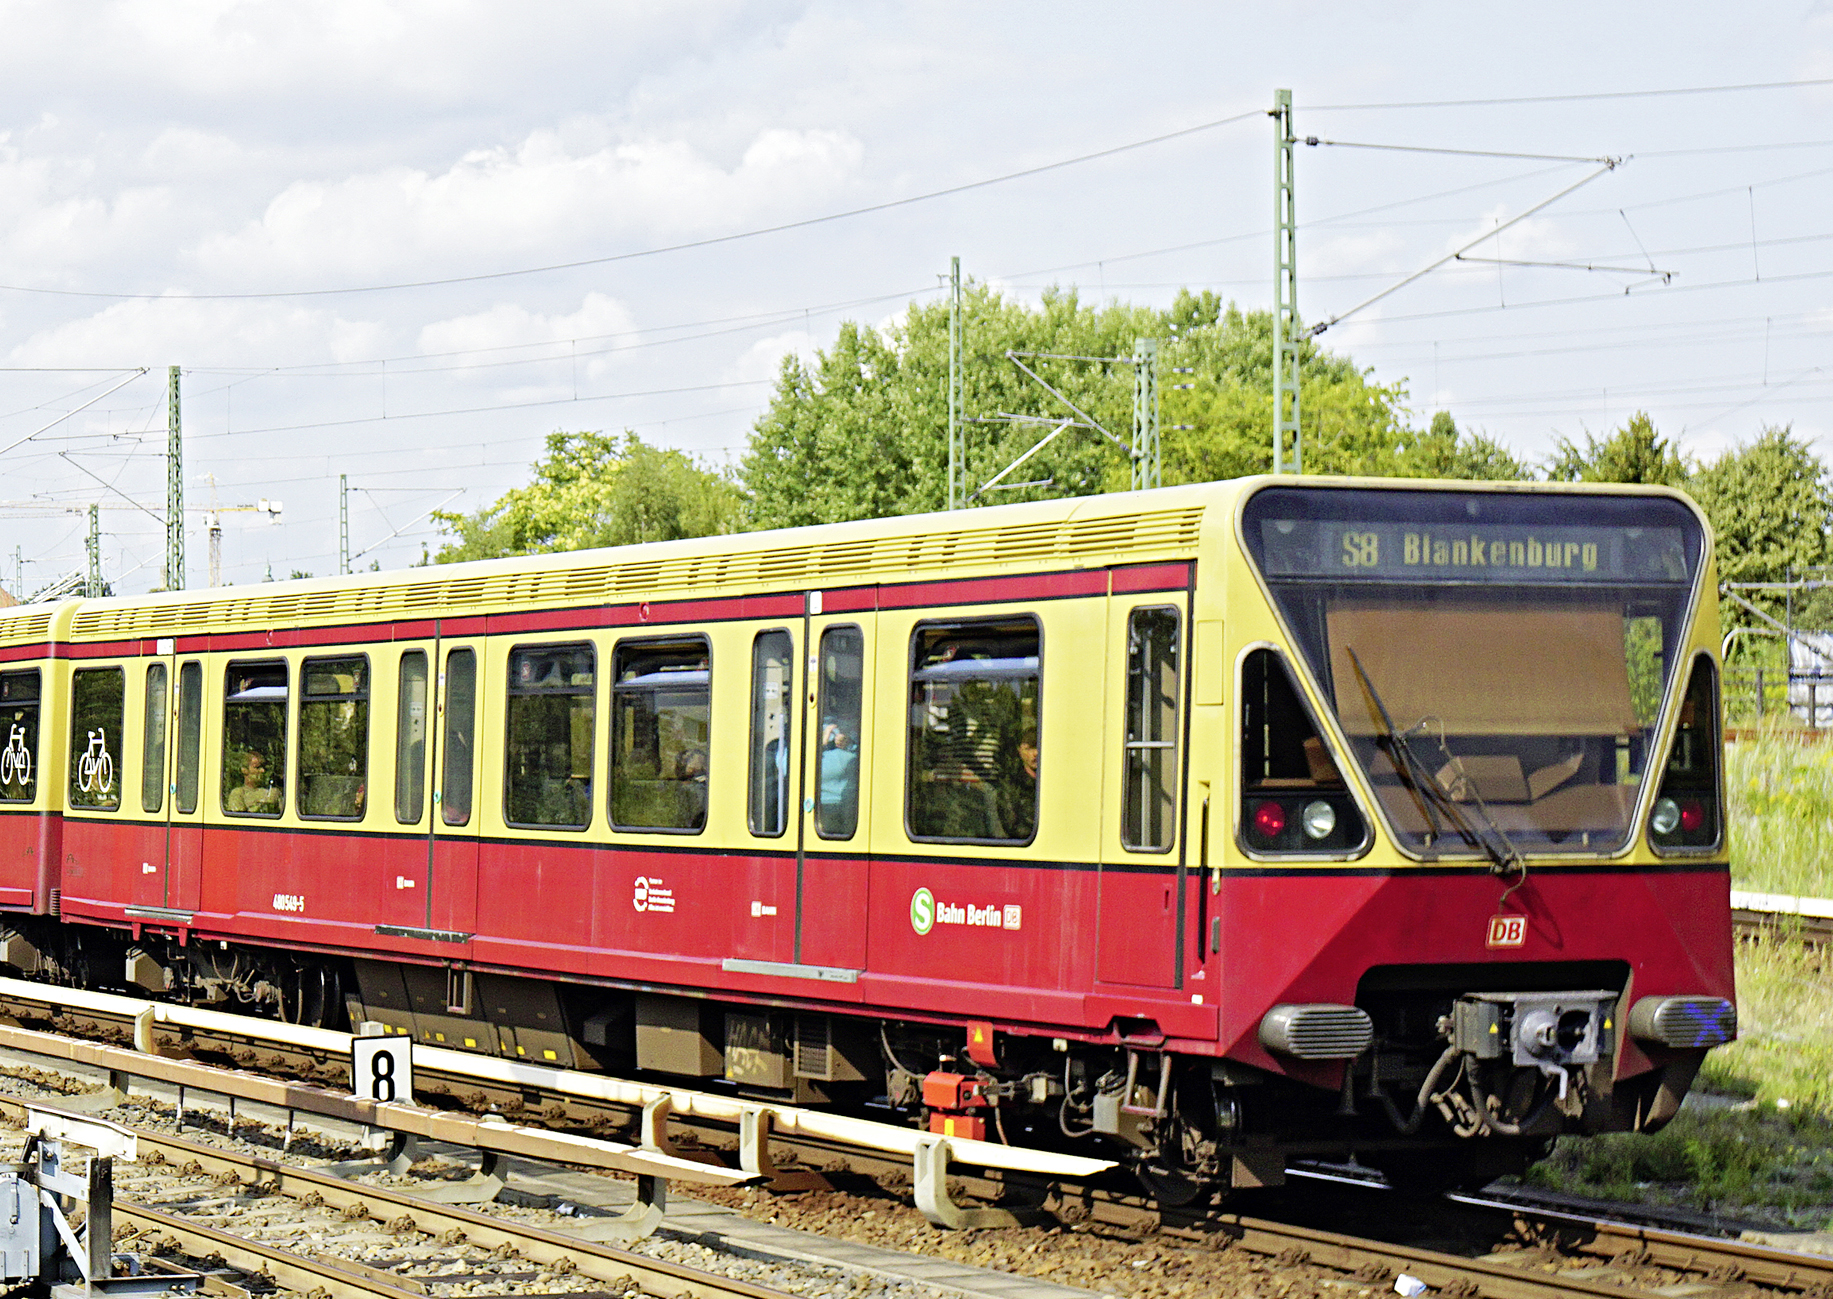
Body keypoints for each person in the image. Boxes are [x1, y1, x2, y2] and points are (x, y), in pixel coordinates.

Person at [817, 722, 858, 836]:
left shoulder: (850, 725)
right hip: (821, 803)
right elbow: (787, 766)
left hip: (852, 802)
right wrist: (820, 746)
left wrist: (850, 744)